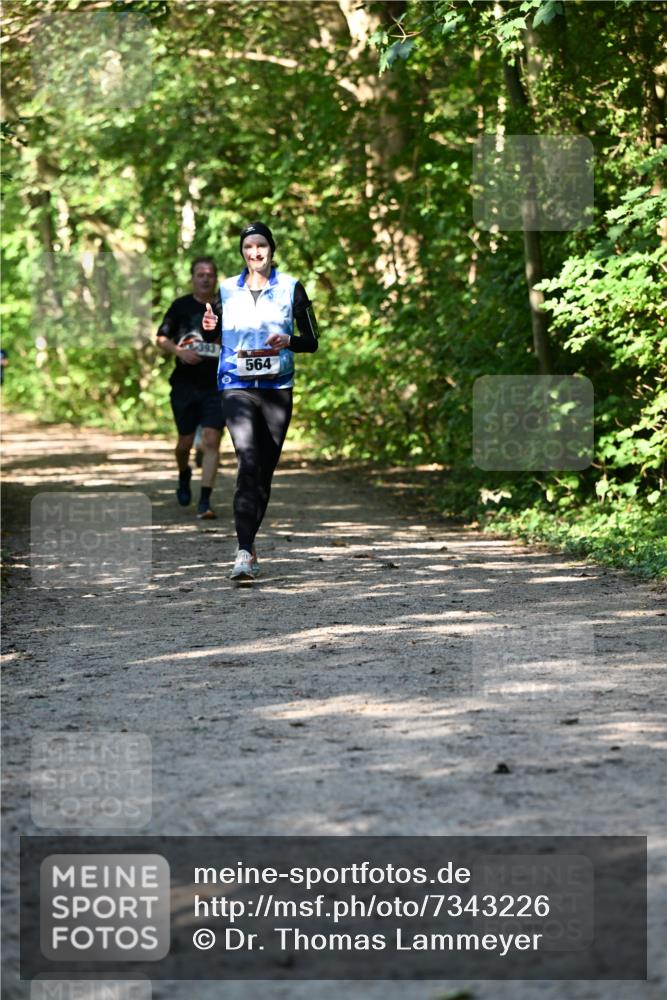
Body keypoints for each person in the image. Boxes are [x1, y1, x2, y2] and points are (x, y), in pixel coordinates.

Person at [203, 222, 319, 581]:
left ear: (272, 248)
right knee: (248, 459)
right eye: (249, 247)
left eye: (261, 246)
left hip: (277, 387)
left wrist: (288, 340)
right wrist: (209, 328)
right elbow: (216, 334)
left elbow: (312, 340)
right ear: (242, 252)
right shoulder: (225, 289)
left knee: (263, 471)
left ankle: (249, 544)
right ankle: (242, 551)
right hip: (235, 384)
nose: (255, 252)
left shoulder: (291, 287)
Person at [156, 257, 224, 519]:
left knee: (210, 439)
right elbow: (161, 337)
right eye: (200, 274)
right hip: (184, 384)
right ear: (193, 278)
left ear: (215, 278)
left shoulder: (225, 306)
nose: (205, 278)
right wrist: (179, 352)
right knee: (184, 444)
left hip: (216, 384)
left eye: (210, 274)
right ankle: (184, 474)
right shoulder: (180, 306)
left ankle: (205, 501)